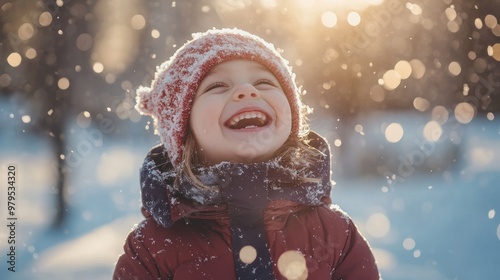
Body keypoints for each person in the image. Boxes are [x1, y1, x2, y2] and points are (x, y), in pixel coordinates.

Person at [113, 28, 380, 280]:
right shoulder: (152, 247)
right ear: (184, 131)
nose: (246, 91)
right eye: (217, 85)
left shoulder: (335, 234)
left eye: (264, 81)